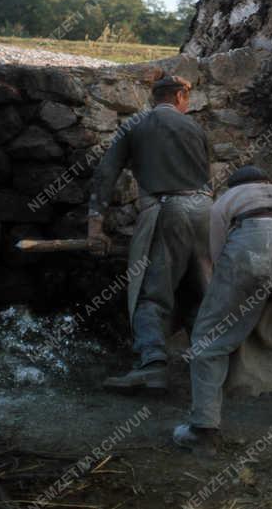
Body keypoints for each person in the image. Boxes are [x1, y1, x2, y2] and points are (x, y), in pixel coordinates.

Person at [173, 166, 272, 455]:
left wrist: (235, 302)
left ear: (232, 185)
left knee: (209, 338)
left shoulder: (225, 201)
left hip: (249, 243)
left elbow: (217, 256)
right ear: (264, 182)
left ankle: (203, 429)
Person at [88, 74, 213, 393]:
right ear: (181, 98)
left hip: (165, 211)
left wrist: (96, 226)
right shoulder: (195, 128)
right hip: (205, 212)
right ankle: (211, 367)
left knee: (150, 292)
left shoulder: (136, 125)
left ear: (153, 98)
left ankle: (152, 365)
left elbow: (105, 174)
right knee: (200, 290)